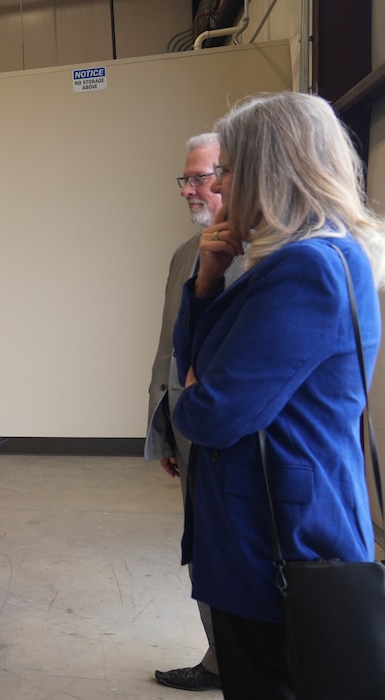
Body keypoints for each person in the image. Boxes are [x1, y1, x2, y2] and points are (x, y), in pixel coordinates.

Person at [172, 91, 385, 698]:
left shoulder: (308, 268)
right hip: (266, 529)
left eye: (229, 171)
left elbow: (210, 414)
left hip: (277, 540)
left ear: (266, 171)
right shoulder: (297, 260)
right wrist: (208, 285)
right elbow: (202, 373)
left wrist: (192, 395)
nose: (221, 185)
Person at [147, 133, 222, 692]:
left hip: (240, 437)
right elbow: (169, 348)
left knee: (243, 552)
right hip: (190, 429)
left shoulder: (268, 252)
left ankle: (260, 659)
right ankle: (221, 658)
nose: (188, 190)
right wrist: (164, 424)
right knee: (203, 549)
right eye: (185, 179)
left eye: (199, 177)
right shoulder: (183, 255)